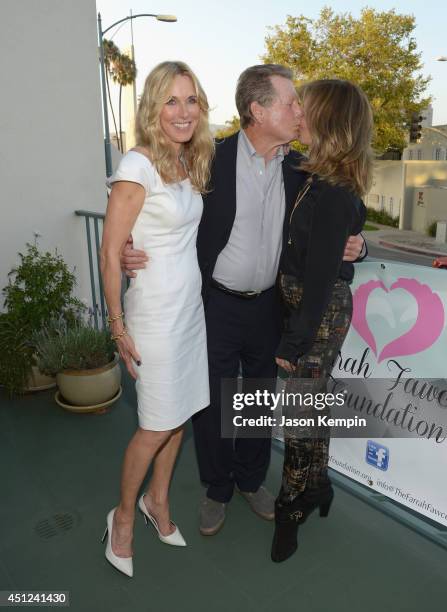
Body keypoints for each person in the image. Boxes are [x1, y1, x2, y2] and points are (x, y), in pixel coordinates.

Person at [121, 64, 366, 537]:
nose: (299, 111)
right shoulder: (210, 157)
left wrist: (358, 244)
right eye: (290, 102)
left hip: (270, 306)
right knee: (210, 400)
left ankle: (252, 480)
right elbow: (161, 206)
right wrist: (129, 246)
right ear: (258, 109)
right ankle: (216, 489)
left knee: (256, 395)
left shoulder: (302, 167)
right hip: (214, 303)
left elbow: (345, 212)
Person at [99, 61, 214, 577]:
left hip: (190, 312)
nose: (183, 111)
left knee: (180, 417)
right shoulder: (137, 166)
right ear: (152, 107)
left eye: (190, 100)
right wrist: (117, 326)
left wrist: (133, 246)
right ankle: (122, 519)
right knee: (152, 426)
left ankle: (158, 502)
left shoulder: (188, 163)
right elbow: (108, 254)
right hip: (154, 317)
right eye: (171, 100)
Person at [271, 79, 373, 562]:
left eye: (304, 107)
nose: (297, 114)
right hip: (307, 311)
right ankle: (319, 486)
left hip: (319, 316)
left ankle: (290, 506)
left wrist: (292, 343)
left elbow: (317, 282)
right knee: (311, 411)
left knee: (296, 417)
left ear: (328, 121)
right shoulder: (308, 170)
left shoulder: (335, 191)